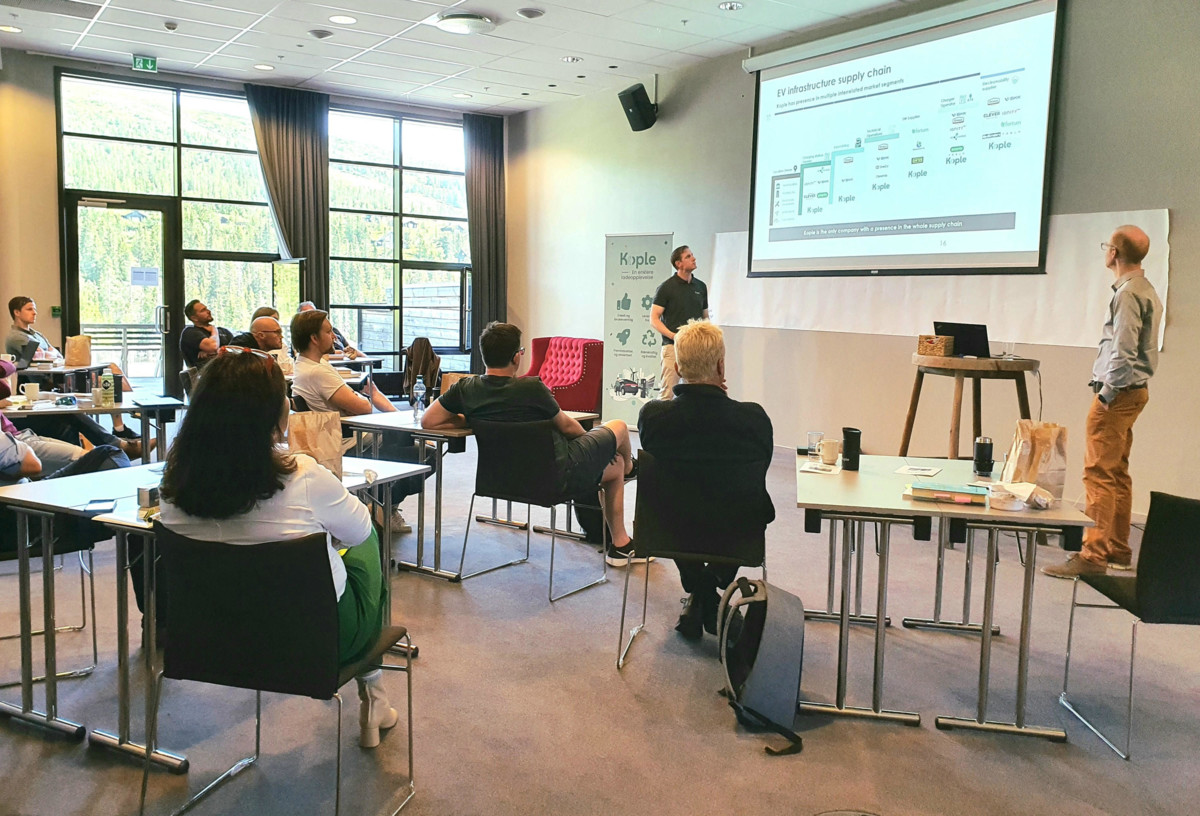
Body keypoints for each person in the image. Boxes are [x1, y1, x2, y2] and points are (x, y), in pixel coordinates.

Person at [156, 349, 400, 748]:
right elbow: (357, 534)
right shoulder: (303, 476)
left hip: (213, 640)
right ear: (276, 413)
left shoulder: (171, 489)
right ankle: (374, 696)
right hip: (315, 640)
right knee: (367, 538)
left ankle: (375, 695)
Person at [421, 321, 642, 565]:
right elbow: (569, 427)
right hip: (555, 479)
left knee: (615, 465)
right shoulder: (532, 388)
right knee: (620, 427)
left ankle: (621, 542)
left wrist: (469, 418)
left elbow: (429, 421)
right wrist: (592, 447)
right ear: (516, 357)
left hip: (500, 481)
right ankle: (632, 477)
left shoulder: (466, 388)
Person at [638, 320, 775, 638]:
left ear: (677, 365)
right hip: (737, 533)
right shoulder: (752, 419)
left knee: (674, 506)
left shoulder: (653, 418)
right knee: (739, 508)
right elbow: (758, 474)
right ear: (721, 364)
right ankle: (711, 593)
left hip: (667, 532)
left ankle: (699, 592)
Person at [1044, 225, 1162, 579]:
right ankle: (1117, 549)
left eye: (1106, 247)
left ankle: (1093, 556)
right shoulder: (1146, 289)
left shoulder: (1127, 294)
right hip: (1135, 392)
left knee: (1098, 473)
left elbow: (1123, 351)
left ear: (1114, 253)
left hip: (1118, 394)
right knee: (1117, 472)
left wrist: (1106, 394)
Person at [291, 309, 429, 529]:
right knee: (427, 453)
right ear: (314, 338)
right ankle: (383, 506)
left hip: (347, 435)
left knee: (415, 444)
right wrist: (360, 397)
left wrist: (356, 398)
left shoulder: (306, 365)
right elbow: (364, 407)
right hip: (350, 441)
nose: (334, 336)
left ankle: (381, 506)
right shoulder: (318, 372)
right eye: (328, 332)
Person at [6, 296, 144, 448]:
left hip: (55, 376)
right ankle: (122, 428)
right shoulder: (16, 337)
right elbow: (42, 354)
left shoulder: (36, 334)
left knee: (111, 369)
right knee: (101, 383)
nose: (35, 312)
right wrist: (48, 353)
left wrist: (48, 353)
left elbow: (56, 353)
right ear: (17, 312)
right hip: (43, 383)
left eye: (35, 308)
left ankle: (124, 422)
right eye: (30, 309)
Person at [650, 245, 709, 400]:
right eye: (688, 256)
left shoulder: (701, 287)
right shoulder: (666, 287)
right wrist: (673, 336)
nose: (694, 258)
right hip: (672, 347)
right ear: (678, 264)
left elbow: (705, 317)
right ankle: (660, 423)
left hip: (694, 349)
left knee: (695, 394)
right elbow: (654, 319)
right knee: (668, 392)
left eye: (692, 255)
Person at [180, 299, 232, 368]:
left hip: (230, 370)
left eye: (206, 308)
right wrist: (214, 330)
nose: (208, 311)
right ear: (194, 318)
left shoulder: (223, 331)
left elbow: (237, 350)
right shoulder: (190, 332)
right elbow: (213, 346)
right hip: (206, 375)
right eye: (203, 310)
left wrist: (218, 352)